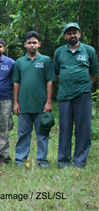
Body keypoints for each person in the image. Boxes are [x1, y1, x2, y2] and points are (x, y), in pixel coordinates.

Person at [53, 23, 98, 169]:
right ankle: (63, 161)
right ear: (65, 36)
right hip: (65, 95)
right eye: (69, 33)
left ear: (79, 34)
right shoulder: (59, 52)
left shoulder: (89, 50)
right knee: (65, 128)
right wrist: (68, 84)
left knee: (83, 128)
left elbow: (93, 72)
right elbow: (57, 73)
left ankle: (79, 161)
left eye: (74, 33)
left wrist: (85, 86)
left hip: (83, 95)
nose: (72, 35)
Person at [12, 31, 55, 168]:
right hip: (24, 105)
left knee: (42, 134)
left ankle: (42, 160)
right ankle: (20, 160)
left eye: (34, 42)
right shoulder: (19, 62)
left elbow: (50, 81)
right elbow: (16, 82)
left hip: (41, 105)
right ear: (25, 44)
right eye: (29, 42)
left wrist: (48, 101)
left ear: (39, 44)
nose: (32, 45)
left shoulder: (46, 61)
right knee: (23, 134)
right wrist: (16, 102)